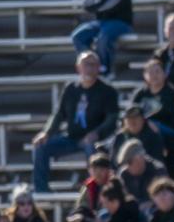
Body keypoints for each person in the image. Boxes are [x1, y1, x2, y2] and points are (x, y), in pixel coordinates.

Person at [32, 52, 119, 196]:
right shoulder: (70, 89)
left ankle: (94, 191)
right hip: (71, 138)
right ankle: (42, 191)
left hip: (96, 140)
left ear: (99, 68)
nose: (89, 68)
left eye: (93, 65)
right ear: (78, 67)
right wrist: (46, 133)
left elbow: (112, 119)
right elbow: (59, 115)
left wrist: (96, 133)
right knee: (41, 146)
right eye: (86, 64)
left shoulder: (107, 91)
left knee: (91, 149)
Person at [73, 0, 134, 74]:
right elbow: (86, 2)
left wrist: (95, 7)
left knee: (103, 37)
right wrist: (92, 5)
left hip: (121, 22)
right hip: (101, 22)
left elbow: (114, 1)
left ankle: (105, 71)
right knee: (78, 37)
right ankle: (89, 68)